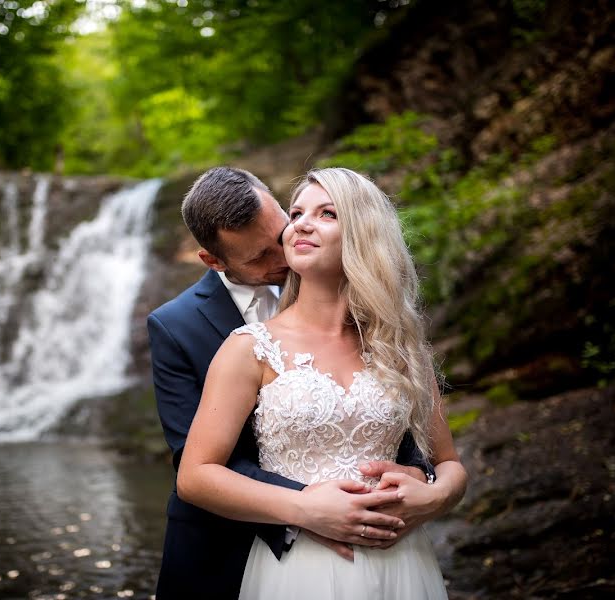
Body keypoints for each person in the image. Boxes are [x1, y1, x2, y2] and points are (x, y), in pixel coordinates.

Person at [147, 166, 465, 600]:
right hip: (257, 554)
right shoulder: (213, 338)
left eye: (317, 214)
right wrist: (310, 508)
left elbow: (439, 458)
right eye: (298, 214)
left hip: (398, 560)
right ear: (215, 261)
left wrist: (432, 494)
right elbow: (197, 469)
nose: (289, 241)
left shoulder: (399, 344)